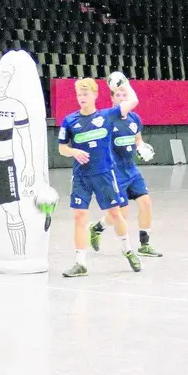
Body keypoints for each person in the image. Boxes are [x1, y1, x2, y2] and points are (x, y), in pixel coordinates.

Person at [58, 78, 138, 278]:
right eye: (79, 95)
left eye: (85, 94)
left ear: (95, 95)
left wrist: (125, 83)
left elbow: (133, 101)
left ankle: (128, 250)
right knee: (79, 216)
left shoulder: (107, 116)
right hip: (81, 176)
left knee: (115, 214)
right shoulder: (70, 121)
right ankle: (80, 263)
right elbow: (62, 148)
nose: (82, 98)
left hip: (104, 174)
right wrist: (73, 152)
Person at [89, 75, 161, 259]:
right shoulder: (107, 118)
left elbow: (137, 138)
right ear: (112, 98)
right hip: (115, 171)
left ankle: (144, 244)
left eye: (124, 95)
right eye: (118, 95)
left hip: (131, 169)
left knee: (145, 202)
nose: (121, 98)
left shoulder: (134, 118)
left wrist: (141, 148)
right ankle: (97, 228)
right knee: (121, 213)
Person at [0, 63, 36, 261]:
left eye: (6, 76)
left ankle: (20, 256)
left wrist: (29, 165)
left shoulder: (16, 106)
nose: (1, 80)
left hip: (5, 165)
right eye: (0, 75)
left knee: (12, 210)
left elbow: (25, 137)